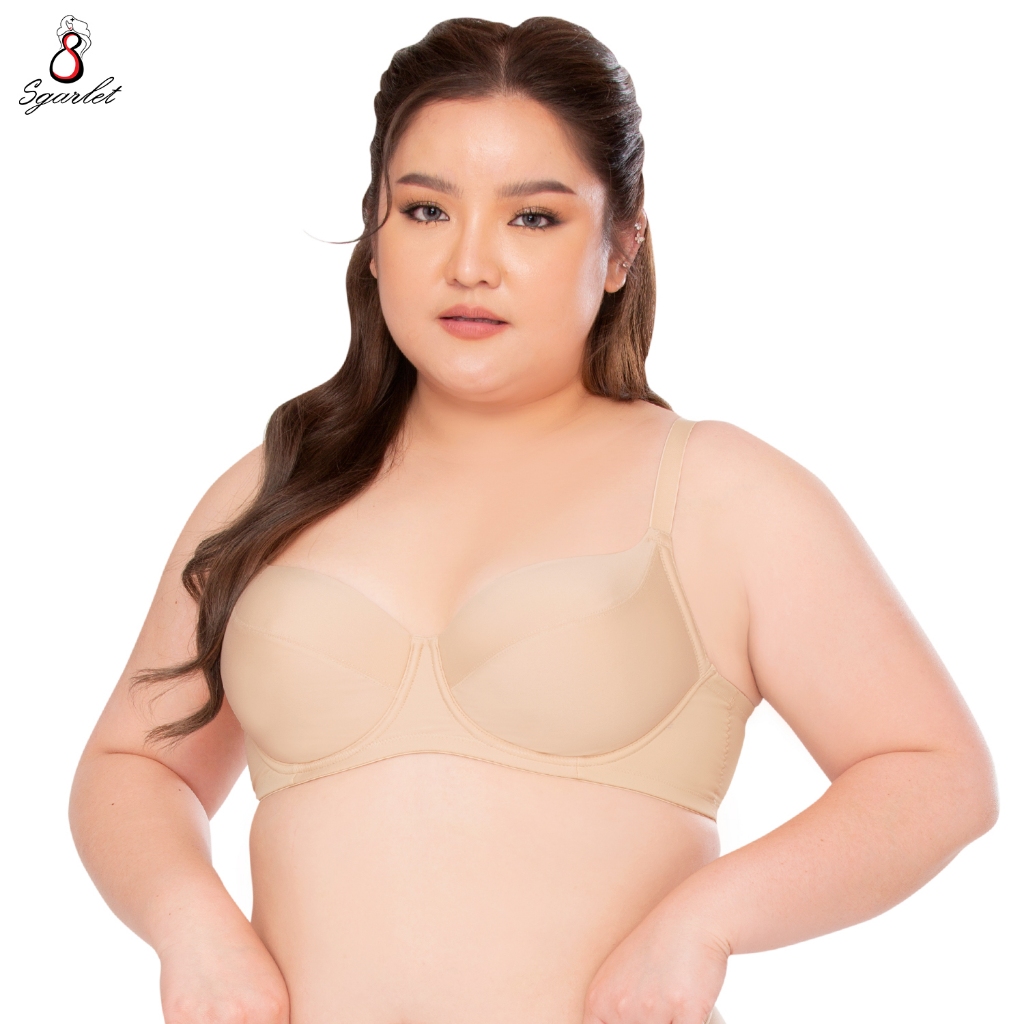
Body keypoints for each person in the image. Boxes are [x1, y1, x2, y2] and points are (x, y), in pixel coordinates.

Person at [68, 16, 997, 1024]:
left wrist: (700, 926)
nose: (470, 263)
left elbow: (934, 775)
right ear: (375, 233)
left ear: (621, 245)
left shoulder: (718, 492)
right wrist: (192, 926)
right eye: (426, 210)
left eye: (534, 218)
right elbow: (132, 767)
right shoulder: (274, 488)